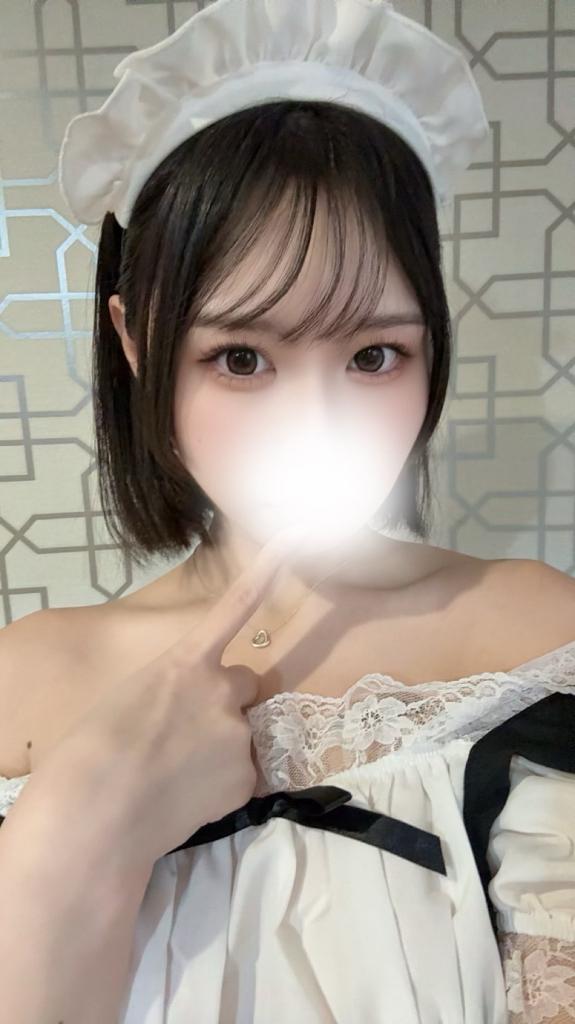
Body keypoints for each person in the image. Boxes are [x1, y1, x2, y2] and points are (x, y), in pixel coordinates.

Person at [0, 1, 574, 1022]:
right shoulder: (29, 676)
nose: (317, 424)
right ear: (135, 341)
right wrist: (73, 841)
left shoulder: (534, 633)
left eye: (372, 355)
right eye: (240, 358)